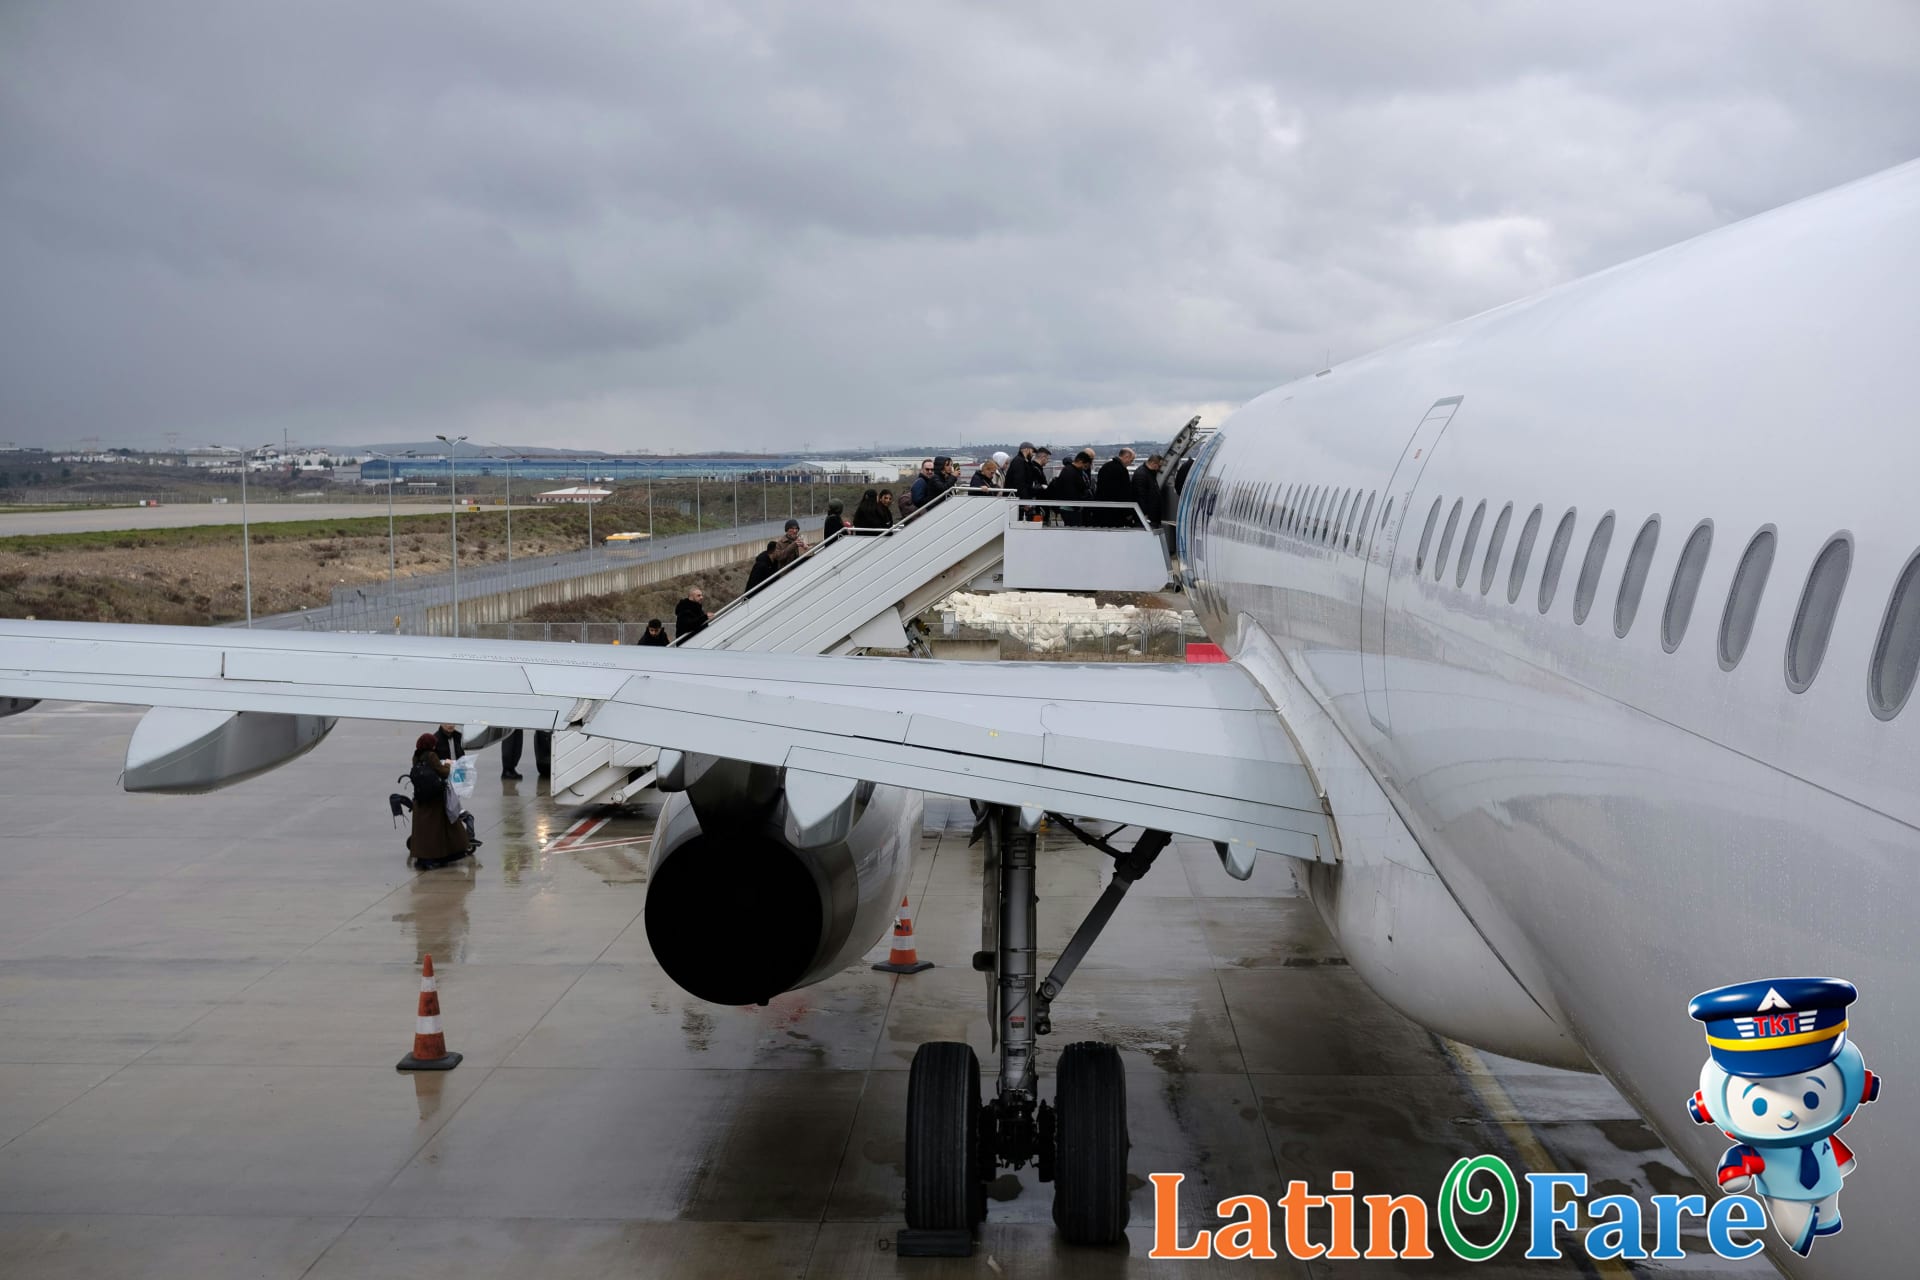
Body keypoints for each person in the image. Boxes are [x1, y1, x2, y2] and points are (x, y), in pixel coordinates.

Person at [406, 732, 471, 867]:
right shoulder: (431, 755)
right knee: (440, 828)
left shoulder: (416, 755)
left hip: (421, 798)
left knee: (423, 830)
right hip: (435, 799)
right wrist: (447, 764)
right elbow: (443, 772)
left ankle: (423, 858)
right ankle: (444, 855)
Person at [1045, 449, 1094, 524]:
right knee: (1074, 531)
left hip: (1072, 507)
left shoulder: (1071, 470)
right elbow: (1070, 492)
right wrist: (1077, 506)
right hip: (1070, 509)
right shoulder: (1070, 472)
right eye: (1085, 466)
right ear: (1080, 462)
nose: (1085, 468)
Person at [1094, 448, 1136, 527]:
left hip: (1101, 509)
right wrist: (1128, 513)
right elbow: (1124, 493)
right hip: (1116, 512)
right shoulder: (1122, 470)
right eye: (1131, 460)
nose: (1130, 463)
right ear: (1126, 456)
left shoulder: (1105, 467)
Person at [1131, 452, 1167, 526]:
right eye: (1159, 466)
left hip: (1152, 514)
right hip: (1148, 516)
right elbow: (1140, 496)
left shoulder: (1148, 473)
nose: (1160, 468)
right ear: (1153, 464)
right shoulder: (1142, 475)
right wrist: (1144, 514)